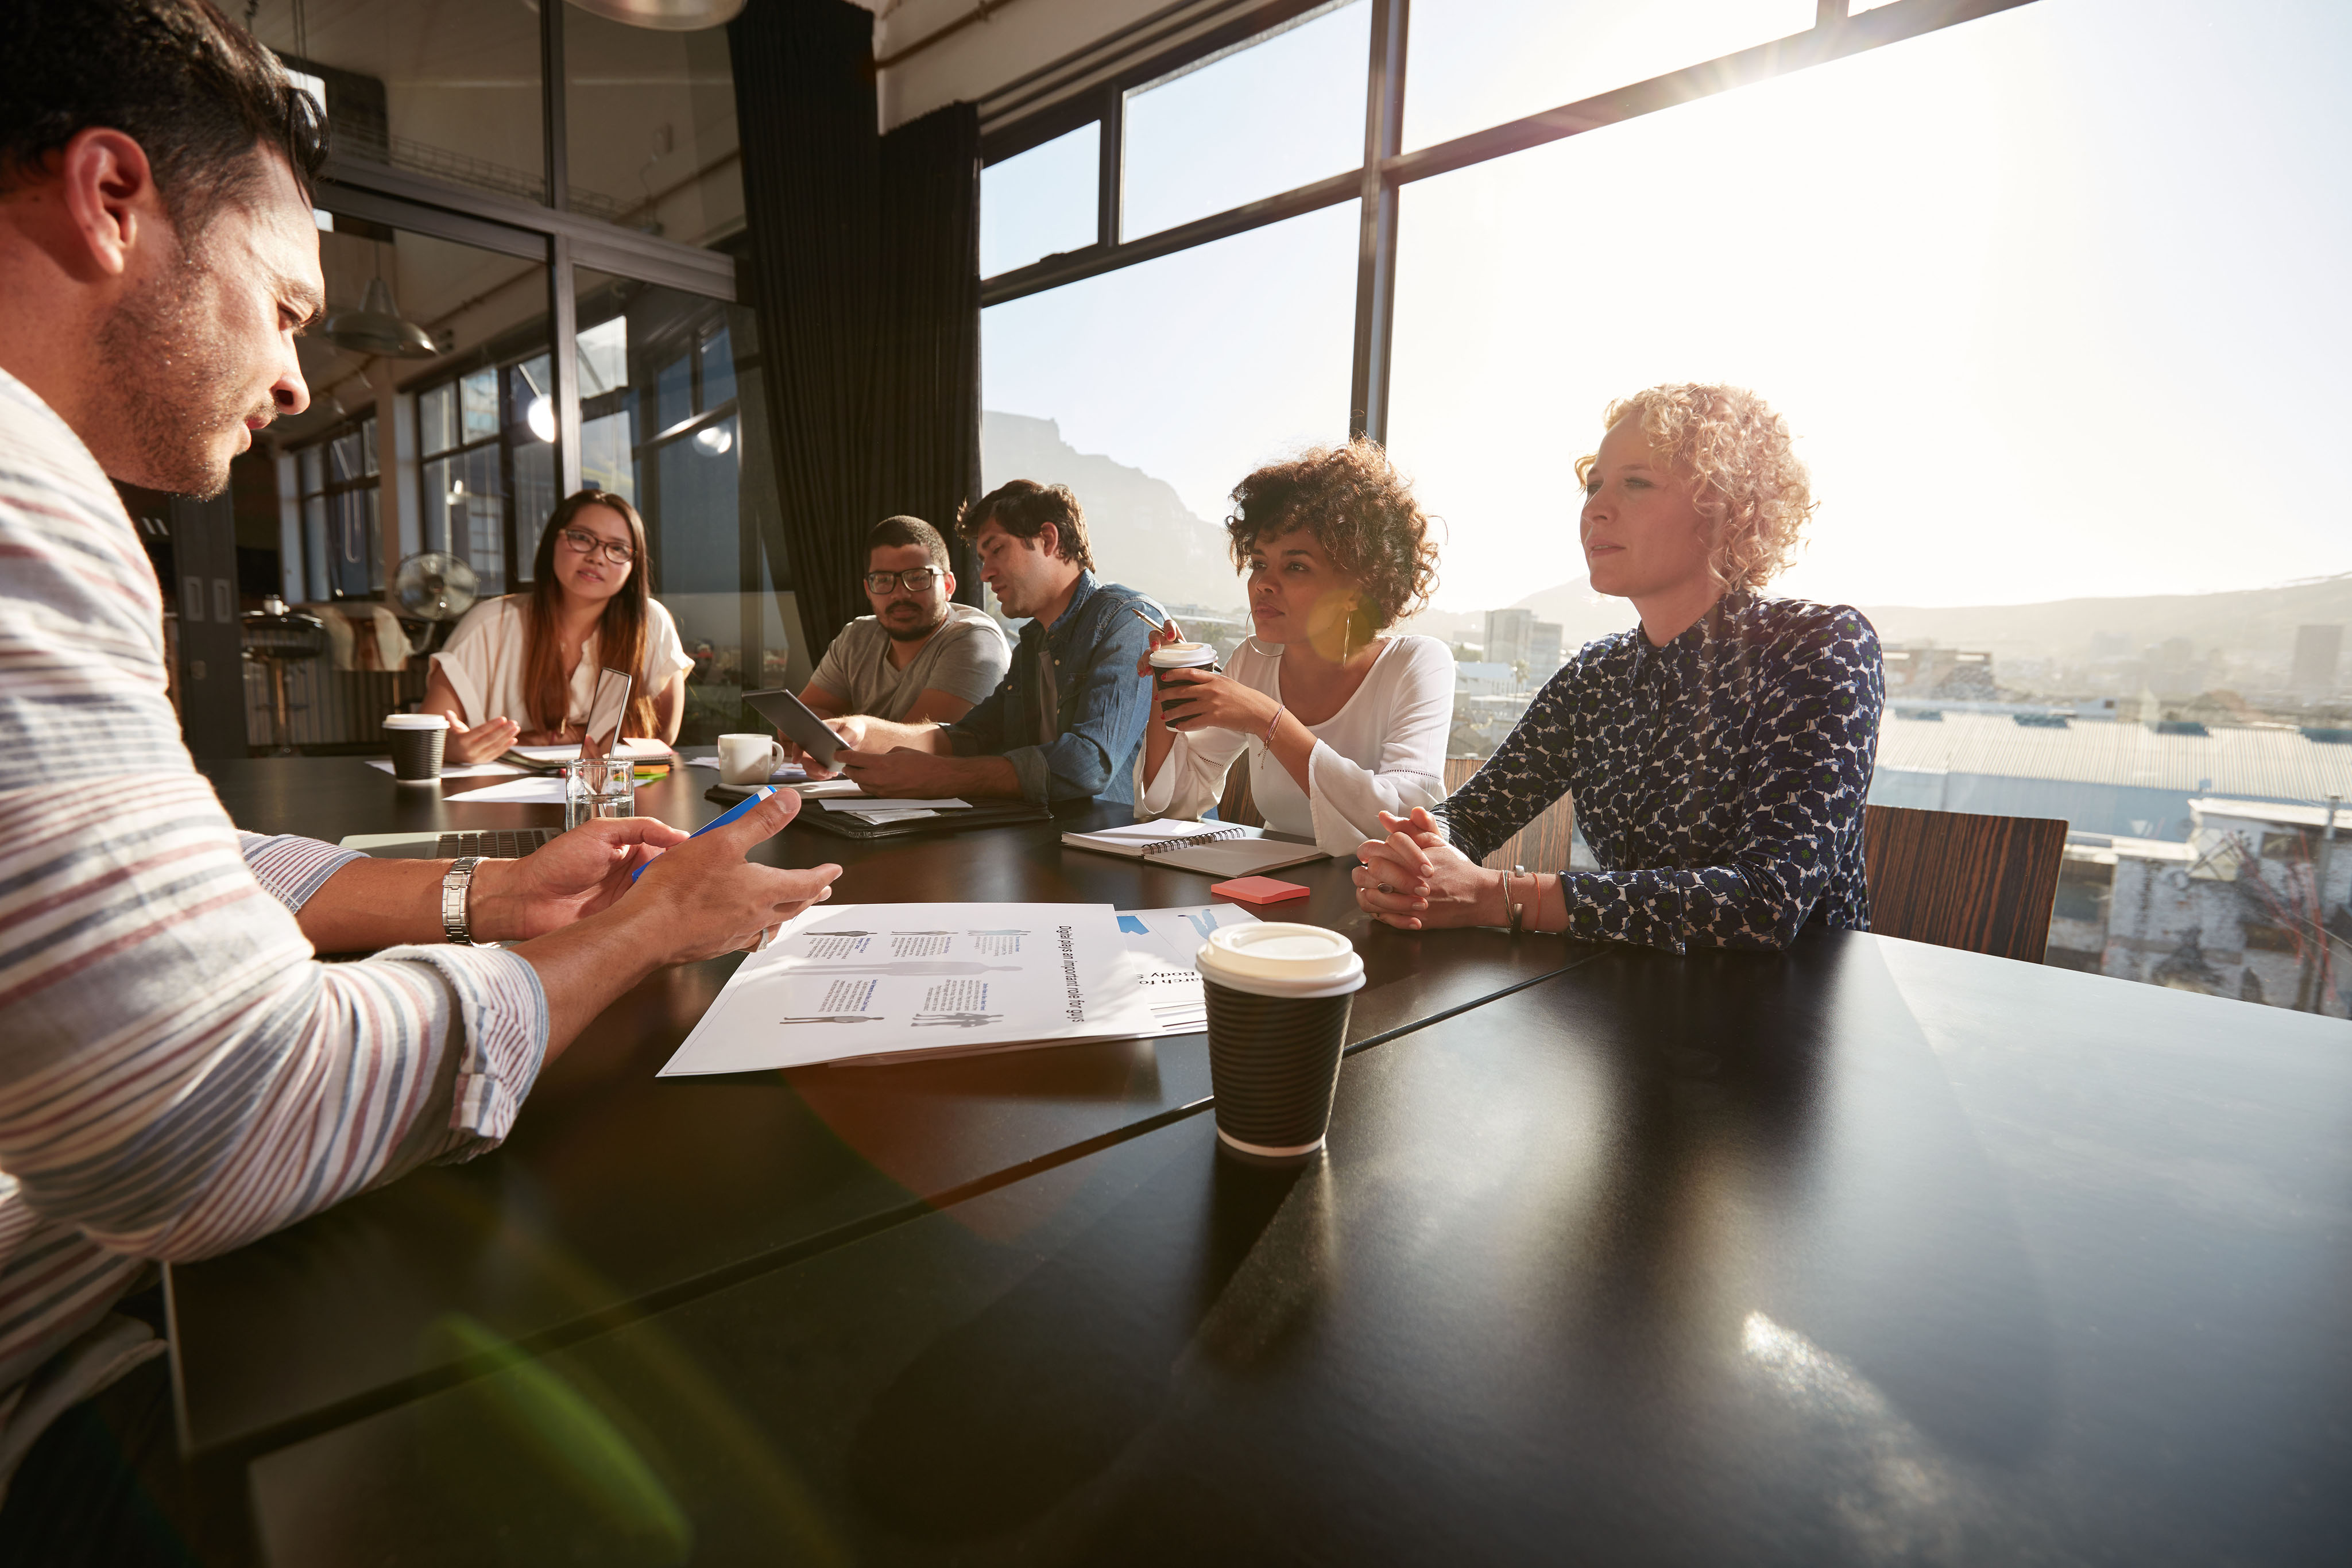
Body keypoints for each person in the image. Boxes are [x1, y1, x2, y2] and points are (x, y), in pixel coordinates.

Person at [0, 2, 840, 1552]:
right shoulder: (20, 495)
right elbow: (222, 1119)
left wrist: (474, 888)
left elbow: (165, 864)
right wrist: (634, 937)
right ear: (112, 200)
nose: (302, 378)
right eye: (287, 306)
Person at [1353, 384, 1883, 953]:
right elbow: (1473, 816)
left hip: (1800, 1019)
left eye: (1636, 482)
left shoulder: (1820, 646)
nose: (1595, 509)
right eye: (1594, 485)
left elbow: (1763, 902)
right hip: (1621, 1003)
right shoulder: (1595, 675)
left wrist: (1496, 895)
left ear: (1726, 506)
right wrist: (1418, 852)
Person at [1137, 440, 1453, 855]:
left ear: (1358, 587)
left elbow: (1404, 824)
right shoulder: (1253, 661)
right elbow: (1172, 806)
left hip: (1380, 907)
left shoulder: (1418, 664)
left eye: (1296, 566)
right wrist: (1170, 684)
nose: (1263, 584)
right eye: (1259, 563)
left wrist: (1266, 718)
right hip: (1270, 895)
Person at [816, 481, 1159, 806]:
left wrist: (947, 777)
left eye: (997, 550)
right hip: (1048, 840)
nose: (984, 573)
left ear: (1048, 540)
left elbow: (1089, 763)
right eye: (983, 559)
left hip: (1124, 849)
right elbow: (973, 735)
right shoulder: (1034, 641)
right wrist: (863, 731)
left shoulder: (1128, 620)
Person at [422, 489, 693, 762]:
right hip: (503, 797)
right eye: (582, 538)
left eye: (618, 548)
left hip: (610, 793)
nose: (597, 557)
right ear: (552, 540)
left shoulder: (649, 621)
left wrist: (558, 737)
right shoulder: (490, 623)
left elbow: (662, 734)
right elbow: (426, 733)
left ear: (633, 565)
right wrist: (451, 747)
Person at [798, 514, 1010, 727]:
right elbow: (794, 724)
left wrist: (847, 729)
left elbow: (918, 746)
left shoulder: (975, 638)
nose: (900, 595)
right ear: (868, 590)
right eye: (882, 580)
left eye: (917, 577)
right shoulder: (856, 637)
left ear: (948, 586)